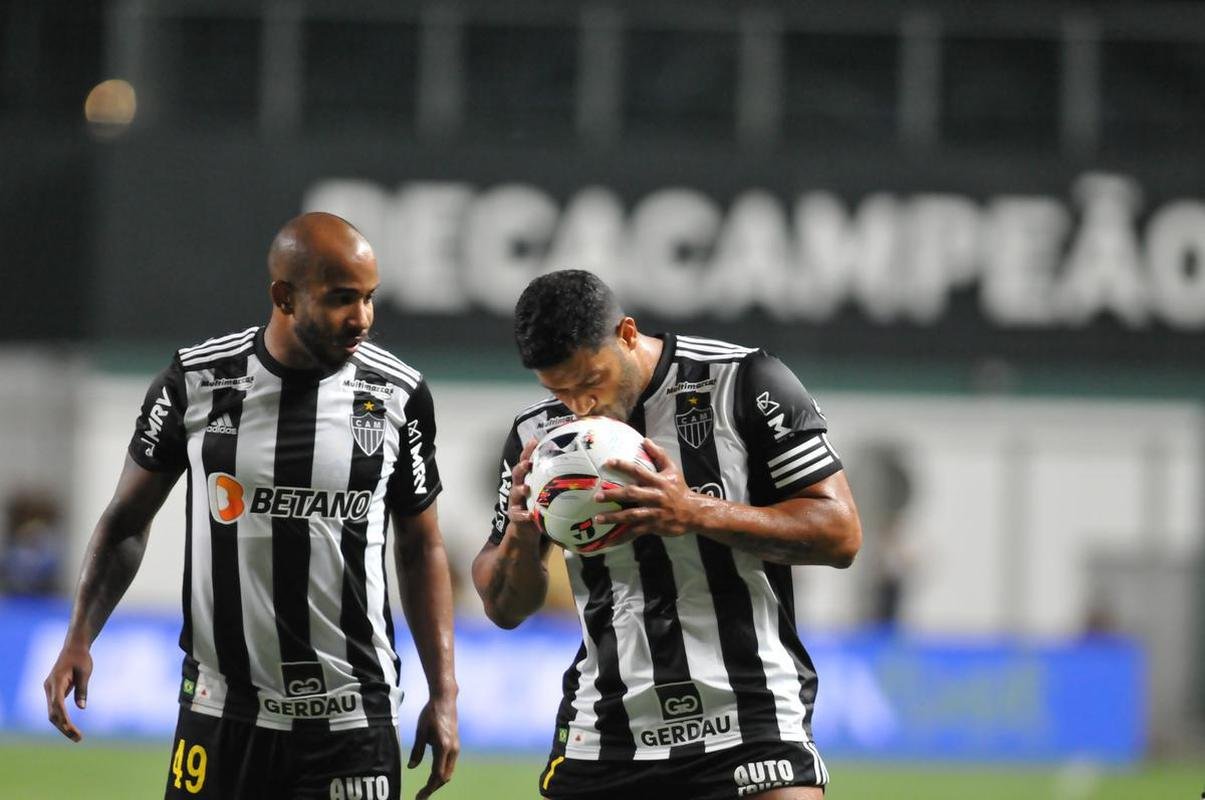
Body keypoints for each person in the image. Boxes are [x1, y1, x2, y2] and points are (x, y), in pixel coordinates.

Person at [44, 212, 459, 800]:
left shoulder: (397, 395)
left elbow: (422, 547)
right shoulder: (194, 383)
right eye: (342, 299)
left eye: (369, 298)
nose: (361, 318)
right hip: (221, 714)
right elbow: (125, 524)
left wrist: (444, 694)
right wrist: (79, 637)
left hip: (352, 715)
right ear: (283, 296)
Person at [472, 269, 862, 799]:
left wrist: (694, 512)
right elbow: (503, 608)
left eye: (590, 382)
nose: (578, 407)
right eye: (559, 391)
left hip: (750, 712)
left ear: (627, 334)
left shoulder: (743, 381)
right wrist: (521, 531)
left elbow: (840, 534)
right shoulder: (537, 437)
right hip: (608, 728)